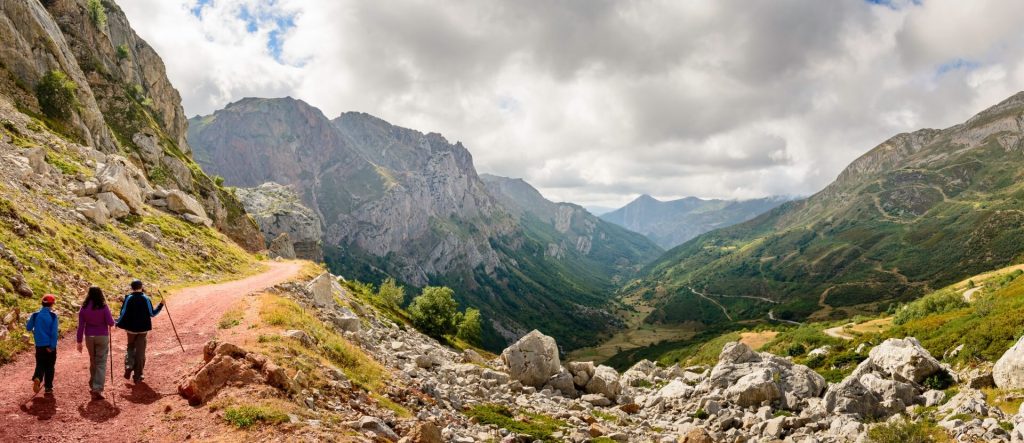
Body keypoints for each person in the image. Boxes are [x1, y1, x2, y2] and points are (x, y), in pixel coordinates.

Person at [115, 280, 162, 383]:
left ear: (132, 288)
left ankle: (129, 365)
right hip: (143, 329)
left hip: (130, 329)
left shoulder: (128, 298)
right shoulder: (146, 298)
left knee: (130, 347)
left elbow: (123, 312)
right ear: (141, 287)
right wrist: (161, 305)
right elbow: (152, 313)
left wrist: (117, 322)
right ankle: (138, 376)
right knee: (141, 352)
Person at [77, 287, 114, 400]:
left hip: (89, 337)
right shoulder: (103, 306)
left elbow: (81, 326)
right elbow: (111, 323)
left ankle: (93, 383)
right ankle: (97, 388)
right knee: (101, 362)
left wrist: (79, 341)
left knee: (93, 360)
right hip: (102, 336)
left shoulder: (83, 308)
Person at [26, 294, 59, 395]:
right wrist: (52, 346)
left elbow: (28, 327)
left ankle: (38, 377)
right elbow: (54, 333)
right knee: (50, 366)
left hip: (39, 345)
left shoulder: (35, 315)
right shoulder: (53, 316)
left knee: (40, 364)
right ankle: (48, 388)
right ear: (52, 304)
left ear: (42, 303)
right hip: (49, 345)